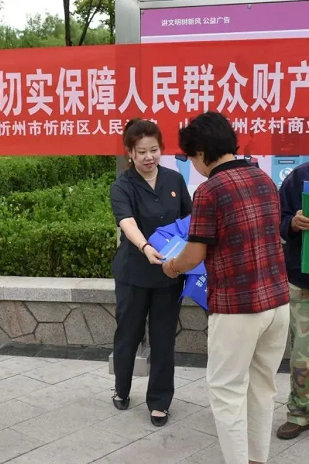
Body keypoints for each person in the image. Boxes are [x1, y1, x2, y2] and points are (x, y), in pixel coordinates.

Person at [162, 111, 290, 464]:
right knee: (262, 388)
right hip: (277, 303)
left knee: (226, 391)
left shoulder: (209, 190)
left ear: (202, 152)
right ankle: (256, 459)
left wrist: (171, 266)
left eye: (191, 157)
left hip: (237, 308)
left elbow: (193, 255)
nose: (194, 166)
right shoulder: (264, 179)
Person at [110, 118, 192, 427]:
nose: (148, 157)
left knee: (163, 338)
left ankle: (159, 401)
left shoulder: (174, 180)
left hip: (169, 274)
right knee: (128, 334)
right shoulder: (122, 185)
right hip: (134, 272)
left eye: (154, 150)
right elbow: (126, 221)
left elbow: (189, 220)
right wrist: (145, 246)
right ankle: (121, 387)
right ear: (130, 152)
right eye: (142, 151)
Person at [276, 162, 309, 440]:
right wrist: (292, 223)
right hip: (302, 281)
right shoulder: (299, 176)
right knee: (302, 355)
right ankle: (299, 412)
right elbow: (277, 220)